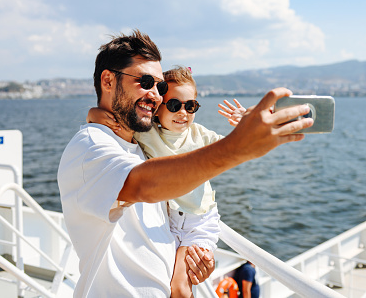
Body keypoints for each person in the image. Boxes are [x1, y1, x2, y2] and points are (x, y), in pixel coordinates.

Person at [57, 29, 313, 297]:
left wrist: (193, 257)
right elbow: (143, 183)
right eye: (145, 81)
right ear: (108, 81)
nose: (156, 95)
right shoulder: (90, 147)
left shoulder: (140, 146)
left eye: (160, 87)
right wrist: (238, 147)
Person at [87, 66, 246, 297]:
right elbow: (103, 116)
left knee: (180, 288)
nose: (183, 113)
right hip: (167, 223)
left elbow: (236, 149)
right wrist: (93, 115)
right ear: (159, 107)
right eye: (174, 105)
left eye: (190, 106)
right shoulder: (147, 133)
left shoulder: (200, 136)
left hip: (199, 222)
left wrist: (243, 124)